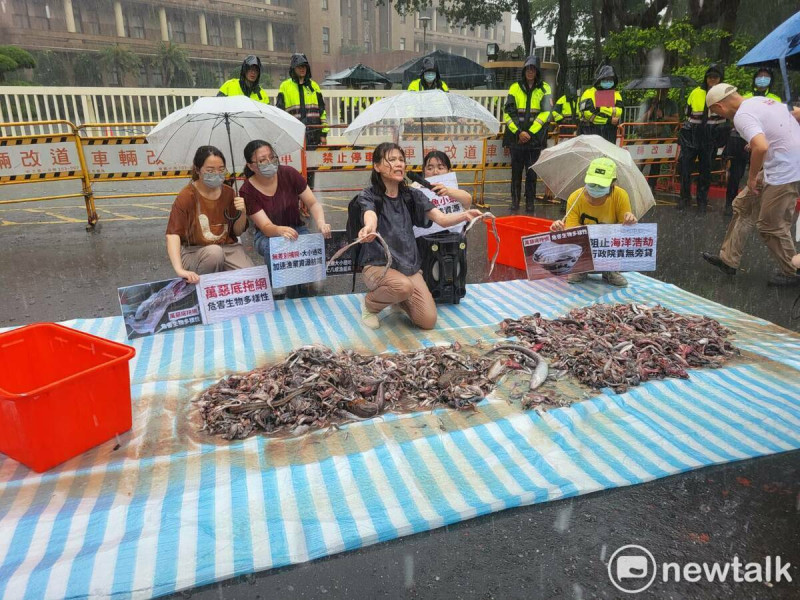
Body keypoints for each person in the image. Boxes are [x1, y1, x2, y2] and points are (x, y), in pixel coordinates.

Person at [356, 142, 483, 330]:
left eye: (401, 159)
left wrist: (465, 215)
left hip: (408, 266)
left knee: (428, 321)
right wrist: (369, 227)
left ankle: (398, 300)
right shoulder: (369, 195)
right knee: (402, 287)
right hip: (378, 265)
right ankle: (369, 305)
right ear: (377, 166)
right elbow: (370, 215)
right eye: (391, 160)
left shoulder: (412, 195)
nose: (399, 164)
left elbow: (442, 218)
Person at [702, 84, 800, 286]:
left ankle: (793, 272)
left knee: (771, 224)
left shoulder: (741, 117)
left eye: (714, 112)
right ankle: (728, 259)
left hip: (787, 170)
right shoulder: (758, 100)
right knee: (744, 205)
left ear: (719, 106)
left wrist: (752, 176)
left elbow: (761, 146)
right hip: (782, 163)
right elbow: (795, 114)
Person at [239, 139, 331, 295]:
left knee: (307, 246)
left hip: (297, 228)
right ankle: (276, 286)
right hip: (267, 236)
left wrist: (321, 223)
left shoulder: (289, 173)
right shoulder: (247, 190)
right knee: (275, 246)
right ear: (251, 166)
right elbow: (267, 228)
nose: (269, 162)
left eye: (272, 157)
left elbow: (313, 203)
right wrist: (280, 230)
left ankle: (306, 285)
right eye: (262, 160)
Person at [166, 146, 253, 283]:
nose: (216, 174)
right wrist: (179, 269)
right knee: (214, 254)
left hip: (228, 248)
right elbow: (173, 234)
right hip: (196, 251)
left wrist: (242, 213)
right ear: (197, 170)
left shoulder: (229, 192)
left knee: (250, 278)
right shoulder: (187, 196)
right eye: (210, 170)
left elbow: (237, 231)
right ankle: (197, 291)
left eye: (221, 169)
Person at [549, 157, 638, 287]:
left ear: (613, 183)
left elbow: (624, 233)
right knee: (574, 245)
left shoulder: (620, 196)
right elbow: (572, 232)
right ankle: (581, 268)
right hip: (583, 244)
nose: (596, 188)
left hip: (608, 244)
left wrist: (629, 221)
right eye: (592, 183)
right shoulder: (575, 197)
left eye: (601, 185)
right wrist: (561, 229)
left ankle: (610, 270)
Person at [724, 68, 782, 216]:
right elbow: (739, 120)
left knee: (760, 177)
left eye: (766, 76)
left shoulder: (776, 99)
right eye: (760, 76)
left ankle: (757, 208)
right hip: (741, 140)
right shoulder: (746, 97)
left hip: (762, 141)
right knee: (735, 174)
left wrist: (757, 139)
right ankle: (730, 206)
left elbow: (776, 122)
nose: (762, 79)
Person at [502, 55, 553, 212]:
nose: (530, 72)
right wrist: (519, 132)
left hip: (535, 141)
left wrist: (530, 133)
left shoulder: (545, 88)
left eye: (533, 69)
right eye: (527, 69)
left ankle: (530, 202)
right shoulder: (514, 87)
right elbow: (508, 112)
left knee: (531, 175)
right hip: (517, 140)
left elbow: (545, 113)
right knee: (516, 174)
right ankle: (515, 201)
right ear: (524, 70)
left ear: (537, 71)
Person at [677, 64, 728, 213]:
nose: (712, 79)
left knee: (705, 171)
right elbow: (687, 112)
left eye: (715, 77)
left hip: (710, 136)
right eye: (710, 77)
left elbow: (727, 118)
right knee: (685, 168)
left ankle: (702, 202)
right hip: (692, 135)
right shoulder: (696, 92)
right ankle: (684, 199)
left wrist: (720, 137)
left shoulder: (724, 94)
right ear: (706, 78)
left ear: (720, 79)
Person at [276, 53, 329, 189]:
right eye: (299, 66)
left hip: (313, 135)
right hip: (294, 136)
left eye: (304, 66)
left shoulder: (314, 86)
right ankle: (296, 199)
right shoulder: (285, 87)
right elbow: (280, 111)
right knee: (294, 168)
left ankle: (309, 196)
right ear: (293, 68)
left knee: (311, 168)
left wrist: (323, 134)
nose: (302, 69)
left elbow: (322, 111)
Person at [578, 65, 623, 144]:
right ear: (599, 80)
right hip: (590, 132)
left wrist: (600, 109)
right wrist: (609, 119)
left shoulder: (616, 94)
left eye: (611, 80)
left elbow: (618, 111)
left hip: (609, 134)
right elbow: (589, 114)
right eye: (606, 80)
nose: (608, 82)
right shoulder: (589, 93)